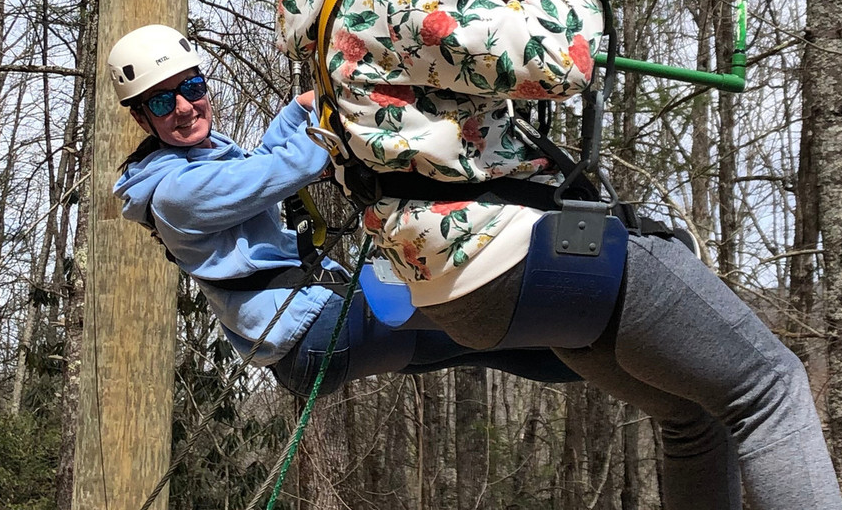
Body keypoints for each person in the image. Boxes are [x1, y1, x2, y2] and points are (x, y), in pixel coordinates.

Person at [266, 0, 842, 510]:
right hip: (522, 251)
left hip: (461, 285)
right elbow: (558, 58)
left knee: (689, 413)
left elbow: (423, 41)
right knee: (771, 387)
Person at [108, 23, 580, 398]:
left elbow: (261, 169)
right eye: (163, 101)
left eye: (191, 87)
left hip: (308, 338)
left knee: (491, 341)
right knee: (485, 322)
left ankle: (587, 350)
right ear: (141, 117)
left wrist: (299, 107)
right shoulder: (176, 193)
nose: (186, 107)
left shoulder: (199, 159)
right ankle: (588, 334)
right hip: (315, 328)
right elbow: (294, 164)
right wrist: (346, 96)